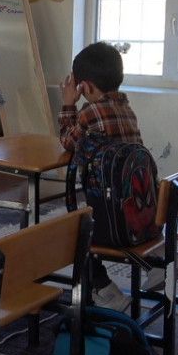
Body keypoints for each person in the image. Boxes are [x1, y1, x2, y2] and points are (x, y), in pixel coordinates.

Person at [58, 42, 144, 312]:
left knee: (75, 230)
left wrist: (68, 104)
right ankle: (154, 264)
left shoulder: (90, 112)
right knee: (84, 223)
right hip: (139, 209)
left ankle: (104, 287)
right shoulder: (127, 110)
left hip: (111, 217)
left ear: (84, 86)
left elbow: (67, 141)